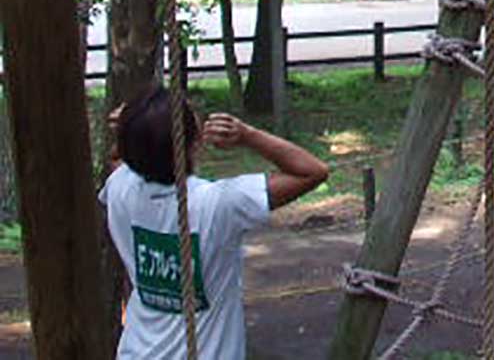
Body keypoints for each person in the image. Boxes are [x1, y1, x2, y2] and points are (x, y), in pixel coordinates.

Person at [99, 85, 329, 358]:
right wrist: (248, 136)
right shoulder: (219, 204)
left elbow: (117, 158)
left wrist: (131, 127)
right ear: (195, 144)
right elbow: (313, 171)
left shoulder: (120, 189)